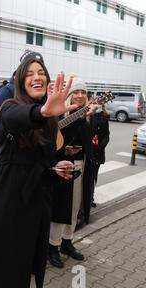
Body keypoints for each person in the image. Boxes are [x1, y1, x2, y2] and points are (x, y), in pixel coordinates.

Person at [0, 56, 78, 288]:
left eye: (40, 72)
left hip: (34, 210)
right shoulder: (10, 108)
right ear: (19, 81)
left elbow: (37, 164)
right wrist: (43, 111)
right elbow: (11, 118)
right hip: (9, 210)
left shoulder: (49, 121)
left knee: (21, 275)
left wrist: (54, 170)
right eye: (29, 74)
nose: (36, 77)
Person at [49, 77, 97, 268]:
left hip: (82, 165)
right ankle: (53, 246)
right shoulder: (59, 116)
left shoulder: (88, 114)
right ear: (69, 96)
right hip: (62, 168)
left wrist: (92, 117)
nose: (79, 95)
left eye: (83, 92)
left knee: (75, 208)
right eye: (76, 92)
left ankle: (67, 242)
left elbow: (95, 138)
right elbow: (52, 140)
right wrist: (64, 151)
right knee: (60, 209)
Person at [0, 50, 45, 136]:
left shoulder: (42, 92)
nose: (36, 77)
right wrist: (18, 133)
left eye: (40, 72)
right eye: (29, 72)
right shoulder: (8, 91)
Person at [90, 104, 110, 208]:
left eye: (99, 106)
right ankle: (86, 197)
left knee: (94, 176)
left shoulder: (105, 119)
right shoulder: (89, 116)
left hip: (98, 152)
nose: (97, 108)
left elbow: (107, 135)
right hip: (89, 150)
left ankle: (91, 198)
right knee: (87, 175)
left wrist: (100, 146)